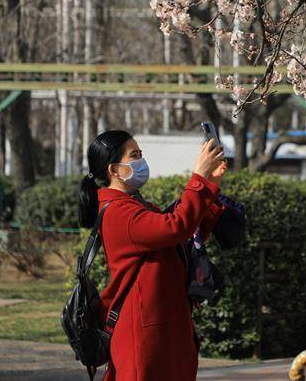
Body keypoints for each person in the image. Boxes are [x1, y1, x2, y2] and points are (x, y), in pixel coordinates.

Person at [78, 130, 227, 381]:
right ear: (114, 170)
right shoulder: (118, 212)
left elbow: (181, 234)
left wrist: (209, 183)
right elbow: (175, 227)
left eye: (141, 154)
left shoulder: (133, 205)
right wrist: (199, 178)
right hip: (145, 333)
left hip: (162, 325)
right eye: (134, 155)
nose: (141, 161)